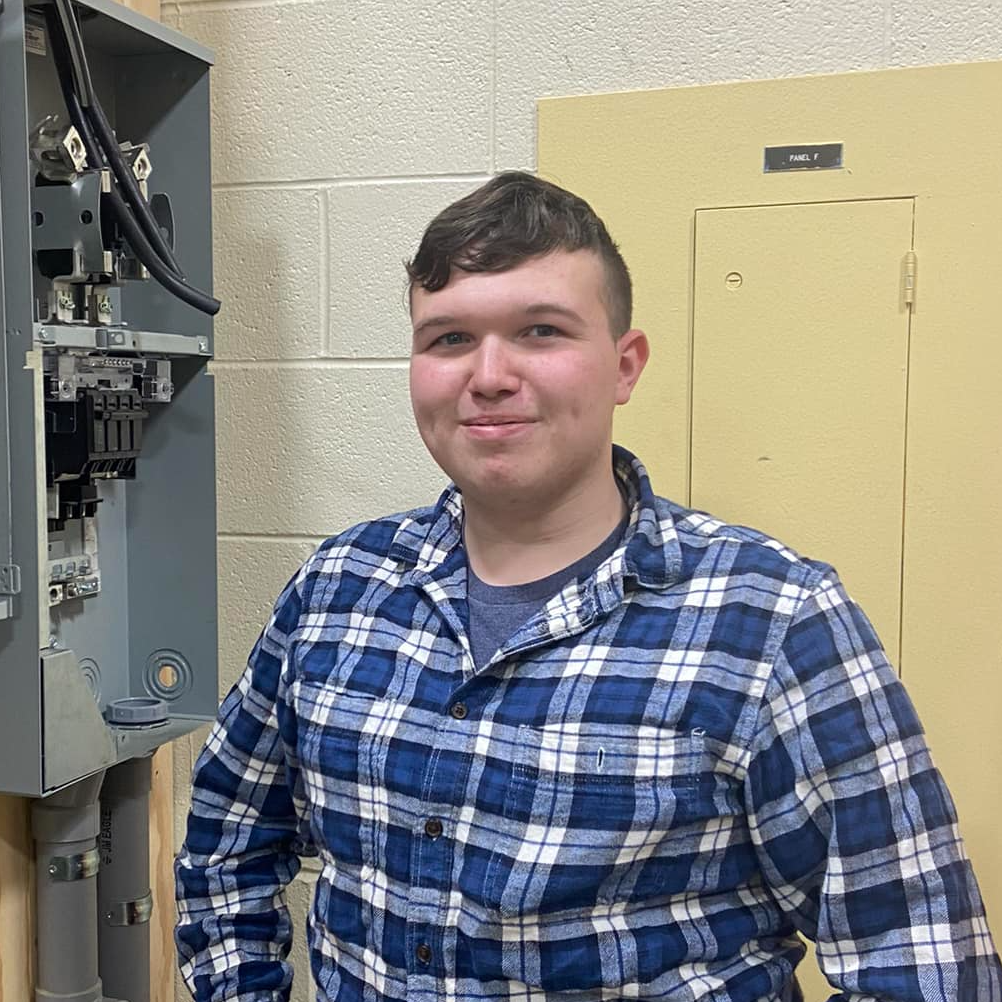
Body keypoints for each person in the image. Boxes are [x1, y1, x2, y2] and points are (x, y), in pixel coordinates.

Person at [175, 171, 1000, 1002]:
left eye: (540, 331)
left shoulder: (773, 622)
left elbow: (923, 964)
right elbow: (228, 841)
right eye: (449, 339)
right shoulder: (337, 592)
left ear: (624, 366)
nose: (489, 375)